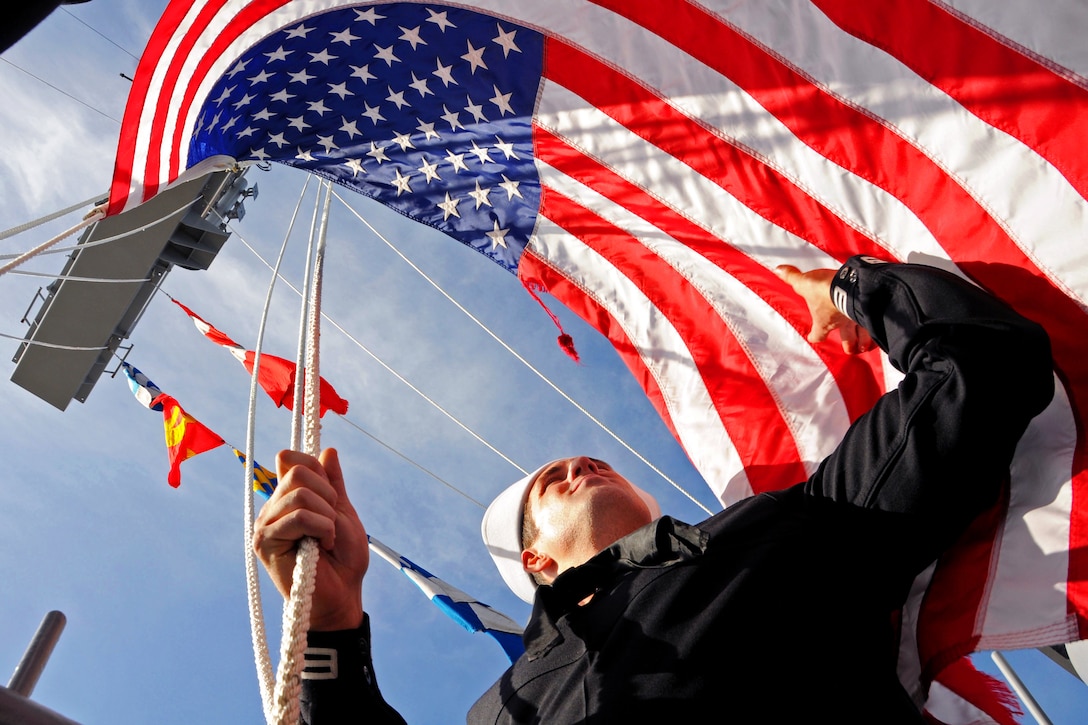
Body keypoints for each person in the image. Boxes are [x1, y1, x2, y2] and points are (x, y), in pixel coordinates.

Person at [255, 256, 1054, 723]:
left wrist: (855, 290)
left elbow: (981, 368)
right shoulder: (502, 712)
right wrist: (329, 633)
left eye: (579, 460)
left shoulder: (775, 533)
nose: (575, 465)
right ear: (533, 558)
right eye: (548, 486)